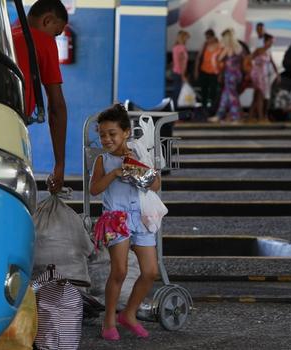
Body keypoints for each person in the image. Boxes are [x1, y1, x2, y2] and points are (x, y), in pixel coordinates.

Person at [90, 104, 160, 341]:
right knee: (119, 270)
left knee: (150, 271)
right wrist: (115, 173)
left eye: (112, 134)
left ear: (126, 133)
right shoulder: (103, 160)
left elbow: (156, 185)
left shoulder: (139, 153)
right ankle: (109, 320)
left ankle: (128, 314)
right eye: (102, 135)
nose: (107, 139)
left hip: (140, 217)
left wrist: (135, 168)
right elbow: (94, 190)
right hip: (115, 218)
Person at [12, 0, 68, 193]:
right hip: (12, 126)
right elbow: (56, 106)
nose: (55, 38)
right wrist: (59, 165)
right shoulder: (43, 41)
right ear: (47, 20)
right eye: (56, 32)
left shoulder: (5, 33)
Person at [209, 29, 244, 123]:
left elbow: (219, 58)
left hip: (230, 75)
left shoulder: (228, 48)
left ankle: (236, 117)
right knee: (225, 96)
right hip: (237, 74)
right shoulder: (239, 47)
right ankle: (219, 115)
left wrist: (218, 49)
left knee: (232, 96)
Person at [194, 29, 222, 111]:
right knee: (204, 90)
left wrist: (221, 73)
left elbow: (221, 61)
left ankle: (212, 108)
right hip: (204, 71)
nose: (208, 40)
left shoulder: (219, 46)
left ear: (213, 37)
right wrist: (196, 70)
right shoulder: (205, 45)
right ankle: (204, 107)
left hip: (214, 72)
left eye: (209, 38)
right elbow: (198, 58)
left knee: (213, 91)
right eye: (206, 38)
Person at [250, 34, 275, 122]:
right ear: (265, 41)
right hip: (257, 74)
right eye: (270, 42)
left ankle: (251, 116)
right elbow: (249, 58)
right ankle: (260, 117)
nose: (271, 43)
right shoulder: (258, 50)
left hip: (264, 76)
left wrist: (277, 73)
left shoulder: (268, 52)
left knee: (257, 96)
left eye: (272, 42)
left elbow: (272, 62)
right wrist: (255, 66)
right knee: (260, 95)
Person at [171, 30, 190, 108]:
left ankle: (174, 108)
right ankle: (178, 109)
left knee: (176, 92)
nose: (187, 40)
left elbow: (175, 62)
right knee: (179, 93)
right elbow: (181, 63)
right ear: (183, 38)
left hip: (175, 72)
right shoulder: (182, 48)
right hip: (179, 73)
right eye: (186, 38)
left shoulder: (175, 47)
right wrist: (183, 75)